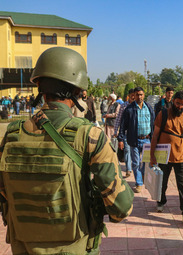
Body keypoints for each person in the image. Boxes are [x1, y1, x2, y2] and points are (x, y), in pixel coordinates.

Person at [0, 47, 134, 255]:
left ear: (40, 87)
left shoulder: (11, 135)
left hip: (23, 247)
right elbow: (121, 206)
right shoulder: (90, 136)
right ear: (76, 90)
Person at [150, 91, 183, 223]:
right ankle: (161, 201)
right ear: (173, 101)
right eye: (178, 103)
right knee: (162, 182)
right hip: (164, 156)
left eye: (182, 104)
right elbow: (155, 135)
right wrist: (152, 155)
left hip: (181, 156)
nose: (180, 106)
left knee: (182, 184)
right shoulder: (163, 114)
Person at [118, 87, 155, 193]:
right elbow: (123, 125)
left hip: (147, 140)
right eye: (137, 94)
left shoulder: (149, 108)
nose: (140, 97)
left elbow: (153, 124)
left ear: (144, 95)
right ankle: (139, 183)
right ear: (134, 95)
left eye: (141, 94)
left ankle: (142, 175)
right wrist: (120, 139)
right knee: (135, 162)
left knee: (146, 162)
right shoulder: (129, 109)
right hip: (134, 140)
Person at [114, 89, 135, 178]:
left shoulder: (137, 106)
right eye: (132, 95)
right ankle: (128, 169)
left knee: (134, 152)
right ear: (128, 96)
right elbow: (118, 119)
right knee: (127, 150)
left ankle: (135, 168)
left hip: (135, 133)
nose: (133, 97)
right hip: (125, 133)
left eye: (135, 95)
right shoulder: (123, 106)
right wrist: (116, 131)